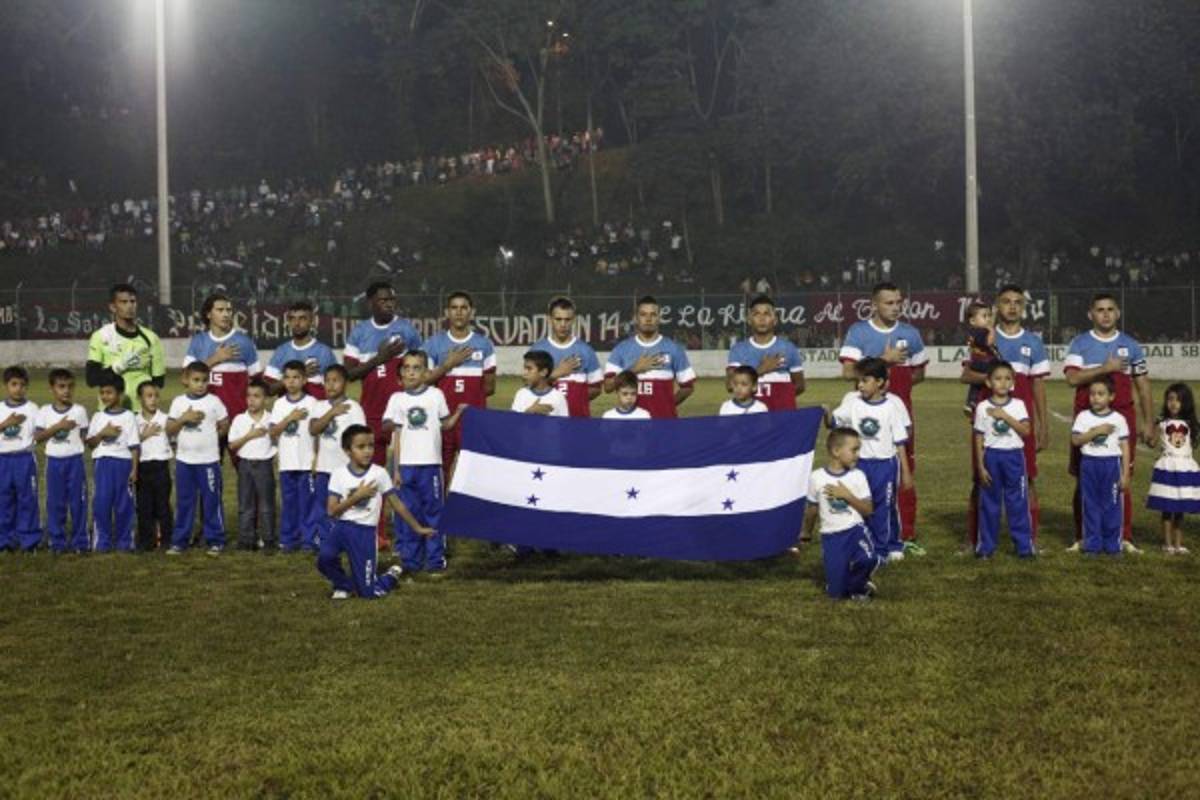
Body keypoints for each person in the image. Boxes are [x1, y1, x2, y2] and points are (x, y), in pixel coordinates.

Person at [838, 282, 927, 555]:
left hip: (898, 414)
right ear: (874, 305)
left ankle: (904, 533)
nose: (896, 307)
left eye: (899, 302)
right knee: (862, 471)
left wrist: (896, 395)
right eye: (889, 302)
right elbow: (848, 373)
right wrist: (883, 360)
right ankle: (861, 531)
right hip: (866, 418)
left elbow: (919, 374)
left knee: (902, 471)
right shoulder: (859, 332)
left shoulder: (910, 334)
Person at [1063, 293, 1154, 553]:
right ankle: (1083, 535)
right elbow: (1072, 379)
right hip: (1087, 418)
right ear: (1091, 314)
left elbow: (1143, 385)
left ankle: (1123, 536)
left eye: (1110, 309)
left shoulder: (1131, 346)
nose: (1105, 314)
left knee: (1123, 477)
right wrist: (1106, 368)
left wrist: (1149, 422)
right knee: (1083, 479)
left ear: (1118, 313)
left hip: (1122, 420)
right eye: (1100, 309)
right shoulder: (1080, 343)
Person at [960, 285, 1050, 546]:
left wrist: (1043, 426)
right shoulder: (983, 336)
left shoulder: (1033, 342)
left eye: (1018, 302)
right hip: (988, 421)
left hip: (1020, 425)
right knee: (981, 480)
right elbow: (966, 375)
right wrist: (990, 379)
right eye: (1006, 301)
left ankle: (1029, 540)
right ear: (997, 307)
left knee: (1028, 479)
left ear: (1024, 307)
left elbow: (1038, 386)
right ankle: (973, 540)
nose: (1012, 306)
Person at [318, 424, 432, 600]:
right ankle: (343, 586)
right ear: (347, 450)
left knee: (368, 594)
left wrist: (418, 528)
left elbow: (397, 505)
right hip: (342, 528)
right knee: (324, 559)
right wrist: (357, 497)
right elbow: (332, 511)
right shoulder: (338, 474)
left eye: (370, 446)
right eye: (361, 447)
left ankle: (391, 576)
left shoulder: (379, 474)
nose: (367, 451)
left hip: (365, 533)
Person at [382, 352, 465, 573]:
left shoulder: (436, 395)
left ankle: (435, 560)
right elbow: (394, 433)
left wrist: (458, 413)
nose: (411, 372)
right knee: (409, 513)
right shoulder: (397, 399)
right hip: (405, 467)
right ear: (401, 372)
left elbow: (445, 425)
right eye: (407, 368)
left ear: (426, 372)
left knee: (433, 512)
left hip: (431, 466)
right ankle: (411, 560)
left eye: (417, 368)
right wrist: (396, 469)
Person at [830, 358, 912, 562]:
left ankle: (885, 549)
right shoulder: (854, 403)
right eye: (858, 381)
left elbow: (900, 442)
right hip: (860, 465)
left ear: (880, 382)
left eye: (865, 381)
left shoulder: (891, 407)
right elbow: (833, 421)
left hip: (885, 465)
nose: (860, 385)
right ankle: (865, 545)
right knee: (861, 505)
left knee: (884, 507)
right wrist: (823, 413)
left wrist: (906, 472)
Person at [344, 281, 424, 467]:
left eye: (391, 300)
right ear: (370, 303)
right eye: (383, 300)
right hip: (372, 412)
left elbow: (422, 369)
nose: (389, 304)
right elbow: (349, 374)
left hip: (404, 411)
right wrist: (380, 359)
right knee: (374, 470)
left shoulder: (408, 330)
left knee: (405, 468)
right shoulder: (359, 332)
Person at [803, 427, 881, 601]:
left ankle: (859, 586)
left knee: (869, 559)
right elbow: (812, 509)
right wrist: (806, 531)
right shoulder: (816, 477)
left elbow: (868, 510)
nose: (858, 455)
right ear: (836, 451)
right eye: (854, 450)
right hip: (831, 537)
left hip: (855, 530)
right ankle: (840, 585)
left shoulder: (858, 476)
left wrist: (847, 496)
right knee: (836, 595)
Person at [422, 291, 496, 469]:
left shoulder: (484, 345)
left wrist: (470, 400)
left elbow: (489, 387)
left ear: (472, 312)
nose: (459, 312)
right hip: (442, 419)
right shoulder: (433, 344)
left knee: (473, 471)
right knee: (440, 469)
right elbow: (424, 381)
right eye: (454, 308)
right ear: (447, 312)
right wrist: (448, 365)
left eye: (464, 308)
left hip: (473, 421)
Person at [166, 362, 230, 556]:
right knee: (184, 502)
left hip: (208, 461)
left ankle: (216, 540)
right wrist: (183, 419)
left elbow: (224, 423)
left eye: (204, 380)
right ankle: (180, 541)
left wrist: (214, 437)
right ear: (186, 380)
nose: (200, 384)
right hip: (185, 461)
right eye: (196, 380)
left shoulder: (214, 401)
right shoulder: (178, 402)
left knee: (211, 501)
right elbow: (169, 430)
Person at [972, 362, 1034, 558]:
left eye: (1008, 378)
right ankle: (986, 547)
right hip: (992, 457)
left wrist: (1005, 416)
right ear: (989, 382)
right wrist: (981, 466)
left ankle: (1023, 547)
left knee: (1018, 502)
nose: (1003, 383)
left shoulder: (1018, 405)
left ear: (1013, 382)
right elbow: (978, 437)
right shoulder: (982, 407)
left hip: (1014, 457)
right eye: (998, 378)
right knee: (989, 504)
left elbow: (1026, 430)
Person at [604, 296, 695, 418]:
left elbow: (688, 387)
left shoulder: (674, 349)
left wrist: (667, 406)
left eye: (653, 314)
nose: (648, 319)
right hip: (633, 423)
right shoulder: (621, 349)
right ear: (636, 318)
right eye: (643, 314)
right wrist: (633, 370)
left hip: (664, 423)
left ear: (659, 318)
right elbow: (608, 387)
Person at [1071, 376, 1130, 555]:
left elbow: (1125, 447)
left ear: (1111, 396)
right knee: (1090, 505)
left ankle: (1113, 544)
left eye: (1100, 394)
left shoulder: (1119, 419)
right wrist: (1097, 431)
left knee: (1112, 505)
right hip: (1089, 464)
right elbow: (1076, 440)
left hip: (1111, 465)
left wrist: (1125, 474)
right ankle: (1092, 544)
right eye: (1092, 394)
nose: (1095, 397)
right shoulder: (1083, 417)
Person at [310, 364, 366, 552]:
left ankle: (348, 540)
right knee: (323, 508)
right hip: (324, 468)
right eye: (327, 381)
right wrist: (332, 412)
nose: (331, 385)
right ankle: (326, 540)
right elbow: (314, 429)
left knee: (347, 508)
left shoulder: (354, 408)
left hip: (345, 469)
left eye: (336, 380)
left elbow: (361, 438)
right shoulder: (319, 406)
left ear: (345, 383)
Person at [184, 293, 262, 426]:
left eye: (228, 310)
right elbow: (185, 379)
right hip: (205, 418)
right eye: (220, 310)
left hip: (237, 418)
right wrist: (215, 358)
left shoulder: (244, 342)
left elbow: (257, 382)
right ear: (208, 314)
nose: (226, 314)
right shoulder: (198, 342)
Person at [34, 369, 90, 553]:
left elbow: (85, 438)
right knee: (55, 503)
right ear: (52, 388)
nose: (66, 390)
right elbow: (38, 437)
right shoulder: (44, 411)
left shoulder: (79, 411)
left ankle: (80, 541)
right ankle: (56, 541)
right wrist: (59, 426)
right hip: (54, 462)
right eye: (61, 386)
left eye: (70, 386)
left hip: (75, 462)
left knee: (78, 502)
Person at [86, 283, 166, 410]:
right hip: (111, 411)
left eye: (132, 301)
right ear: (113, 307)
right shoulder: (100, 336)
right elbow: (91, 379)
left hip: (141, 411)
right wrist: (117, 368)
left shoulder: (151, 338)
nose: (130, 306)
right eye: (123, 302)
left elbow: (159, 381)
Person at [85, 375, 140, 552]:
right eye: (102, 393)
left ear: (120, 394)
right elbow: (90, 443)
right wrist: (103, 433)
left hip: (123, 464)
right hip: (103, 464)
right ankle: (102, 541)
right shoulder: (98, 416)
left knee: (124, 505)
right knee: (102, 503)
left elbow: (134, 446)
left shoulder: (129, 416)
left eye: (109, 392)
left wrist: (134, 469)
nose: (105, 396)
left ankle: (125, 541)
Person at [270, 361, 319, 553]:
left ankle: (309, 540)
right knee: (289, 503)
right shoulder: (279, 404)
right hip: (287, 463)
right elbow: (273, 432)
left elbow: (317, 432)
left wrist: (316, 457)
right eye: (287, 377)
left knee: (308, 503)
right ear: (283, 380)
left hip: (306, 462)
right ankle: (289, 539)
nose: (291, 382)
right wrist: (290, 418)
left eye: (296, 377)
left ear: (304, 380)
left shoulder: (312, 403)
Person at [1147, 383, 1200, 554]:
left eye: (1178, 400)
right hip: (1168, 468)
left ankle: (1178, 544)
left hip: (1184, 468)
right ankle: (1167, 544)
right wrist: (1150, 429)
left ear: (1186, 402)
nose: (1174, 403)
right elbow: (1152, 442)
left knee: (1180, 509)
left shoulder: (1190, 423)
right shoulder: (1163, 423)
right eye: (1170, 399)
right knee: (1167, 507)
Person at [726, 295, 805, 410]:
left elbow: (800, 385)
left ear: (775, 320)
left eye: (767, 314)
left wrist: (780, 398)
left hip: (782, 415)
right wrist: (760, 370)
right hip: (752, 415)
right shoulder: (738, 350)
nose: (762, 319)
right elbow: (730, 385)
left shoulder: (788, 348)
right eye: (756, 314)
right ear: (749, 320)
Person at [228, 378, 277, 552]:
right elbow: (232, 445)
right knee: (245, 504)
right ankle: (246, 539)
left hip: (264, 465)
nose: (251, 400)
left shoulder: (271, 419)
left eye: (257, 396)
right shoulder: (240, 419)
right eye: (248, 396)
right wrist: (250, 435)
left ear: (266, 399)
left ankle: (268, 539)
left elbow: (278, 442)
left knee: (266, 505)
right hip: (245, 465)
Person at [532, 296, 603, 418]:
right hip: (547, 421)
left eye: (567, 319)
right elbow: (529, 385)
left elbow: (596, 388)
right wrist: (555, 374)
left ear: (574, 320)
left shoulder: (586, 350)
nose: (563, 324)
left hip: (578, 422)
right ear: (549, 319)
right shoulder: (537, 350)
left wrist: (575, 397)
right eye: (558, 319)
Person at [0, 366, 41, 551]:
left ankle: (28, 540)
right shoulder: (0, 408)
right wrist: (6, 424)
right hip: (3, 459)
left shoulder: (33, 409)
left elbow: (39, 434)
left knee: (27, 499)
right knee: (4, 499)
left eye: (22, 385)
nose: (18, 388)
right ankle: (5, 540)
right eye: (14, 384)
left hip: (24, 459)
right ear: (6, 385)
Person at [264, 300, 338, 399]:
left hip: (317, 408)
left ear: (311, 321)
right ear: (289, 322)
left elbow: (336, 389)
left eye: (302, 318)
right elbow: (269, 390)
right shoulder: (281, 352)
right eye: (292, 319)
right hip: (288, 408)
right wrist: (300, 374)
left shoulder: (324, 352)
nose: (297, 323)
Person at [134, 382, 173, 551]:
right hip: (142, 467)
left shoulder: (165, 419)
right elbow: (129, 444)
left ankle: (166, 539)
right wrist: (144, 435)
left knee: (163, 505)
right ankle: (146, 540)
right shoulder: (134, 420)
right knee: (144, 506)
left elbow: (174, 438)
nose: (153, 399)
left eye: (156, 396)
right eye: (149, 396)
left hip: (161, 466)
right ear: (140, 398)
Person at [962, 301, 1000, 417]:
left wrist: (994, 315)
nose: (988, 319)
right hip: (984, 362)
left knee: (975, 385)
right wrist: (992, 330)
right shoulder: (980, 332)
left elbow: (988, 326)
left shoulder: (973, 331)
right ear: (973, 321)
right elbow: (989, 342)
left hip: (976, 361)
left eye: (989, 316)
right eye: (984, 316)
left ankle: (971, 402)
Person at [513, 351, 569, 416]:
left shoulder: (558, 397)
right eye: (524, 368)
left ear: (543, 372)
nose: (524, 373)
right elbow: (513, 421)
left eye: (529, 369)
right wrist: (528, 412)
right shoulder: (521, 394)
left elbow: (564, 422)